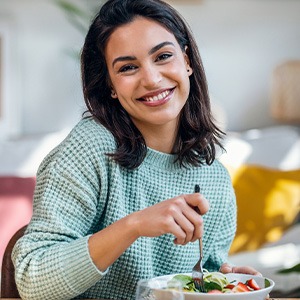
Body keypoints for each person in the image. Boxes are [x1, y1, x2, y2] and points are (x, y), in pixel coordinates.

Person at [12, 0, 260, 299]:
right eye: (128, 67)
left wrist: (230, 285)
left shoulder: (215, 180)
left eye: (163, 56)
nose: (152, 79)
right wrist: (134, 226)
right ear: (111, 86)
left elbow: (199, 277)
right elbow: (31, 281)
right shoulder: (90, 148)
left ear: (187, 61)